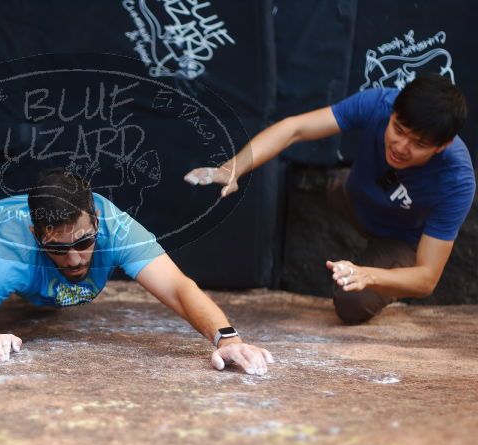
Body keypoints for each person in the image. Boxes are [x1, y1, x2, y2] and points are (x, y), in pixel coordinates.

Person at [0, 168, 273, 375]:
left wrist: (228, 339)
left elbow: (178, 286)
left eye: (84, 242)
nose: (74, 259)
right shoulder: (13, 255)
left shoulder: (116, 226)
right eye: (58, 248)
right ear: (35, 236)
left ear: (98, 223)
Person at [184, 75, 474, 324]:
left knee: (352, 304)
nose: (401, 146)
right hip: (354, 197)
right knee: (333, 188)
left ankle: (384, 267)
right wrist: (232, 168)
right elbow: (294, 128)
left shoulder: (457, 181)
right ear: (393, 112)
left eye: (419, 144)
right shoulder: (380, 103)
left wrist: (368, 275)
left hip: (399, 238)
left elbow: (426, 279)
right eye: (398, 129)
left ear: (442, 146)